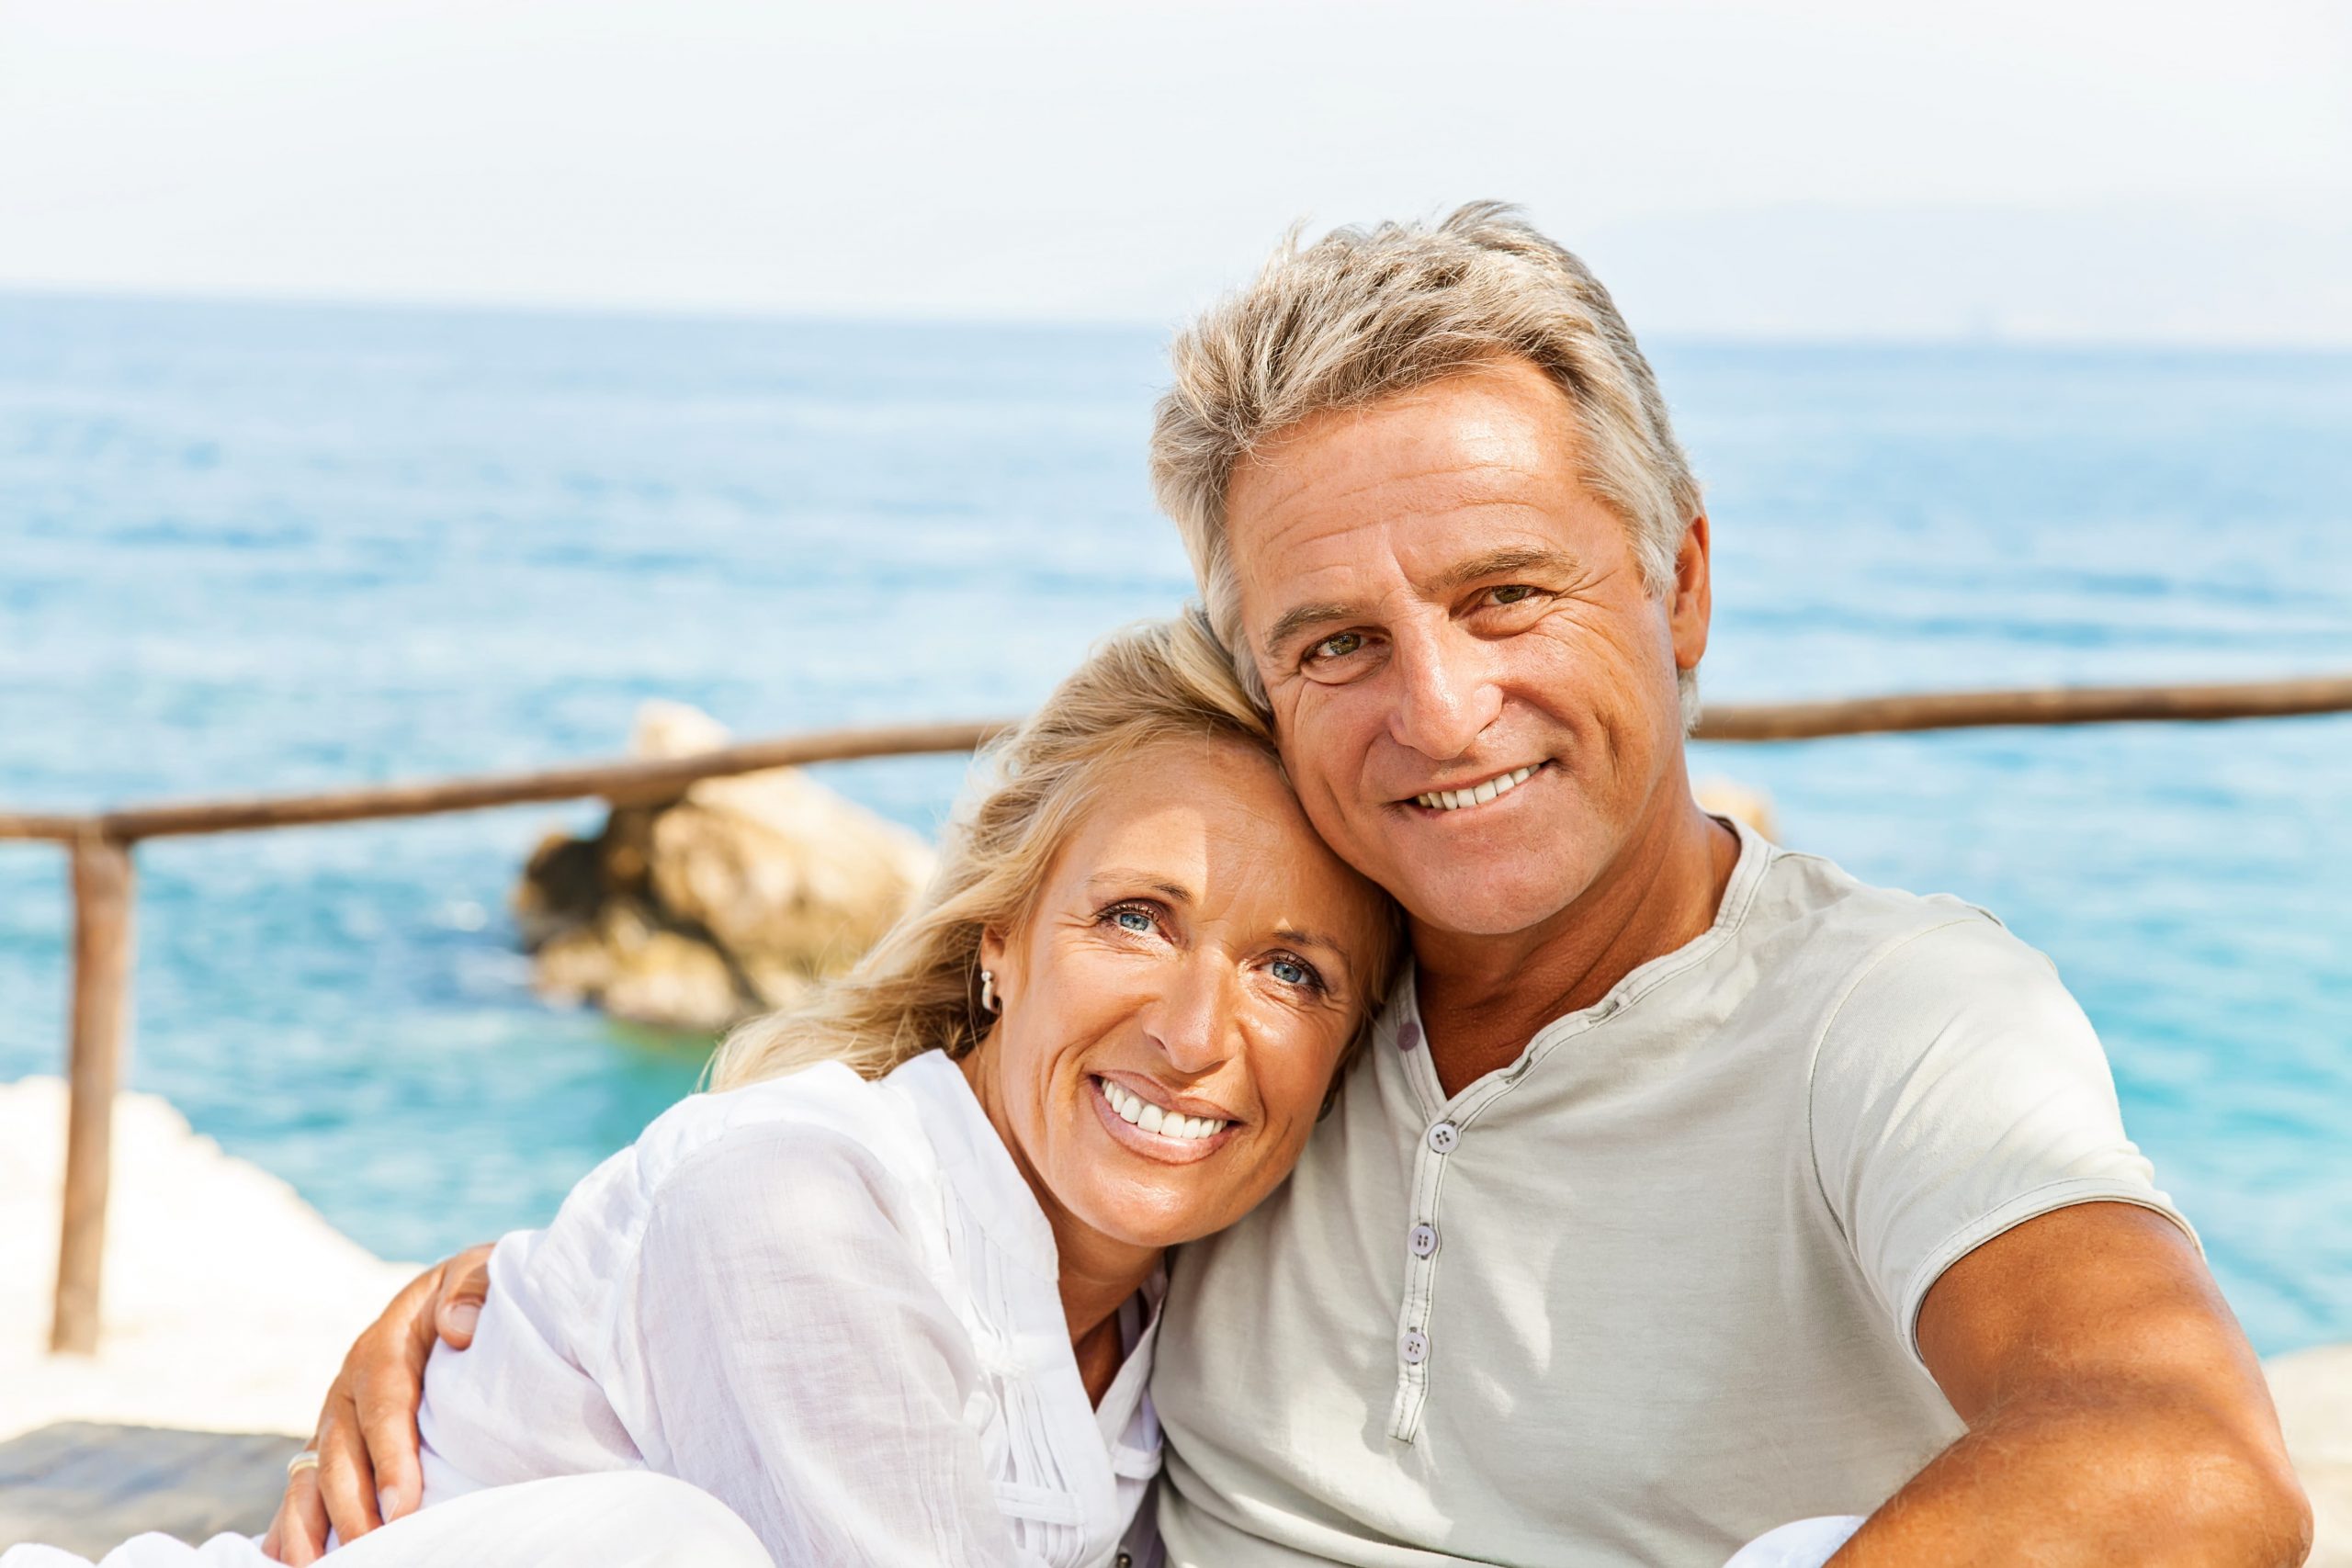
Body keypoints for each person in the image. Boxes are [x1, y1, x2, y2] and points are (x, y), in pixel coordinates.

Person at [279, 206, 2312, 1567]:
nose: (1438, 706)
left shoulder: (1891, 1020)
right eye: (1334, 641)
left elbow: (2190, 1463)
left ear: (1677, 582)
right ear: (1262, 677)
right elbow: (918, 1218)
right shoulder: (1272, 1048)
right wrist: (522, 1322)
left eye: (1509, 595)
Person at [6, 613, 1403, 1568]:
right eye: (1138, 918)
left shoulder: (1191, 1332)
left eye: (1293, 971)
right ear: (1000, 939)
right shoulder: (802, 1197)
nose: (1192, 1030)